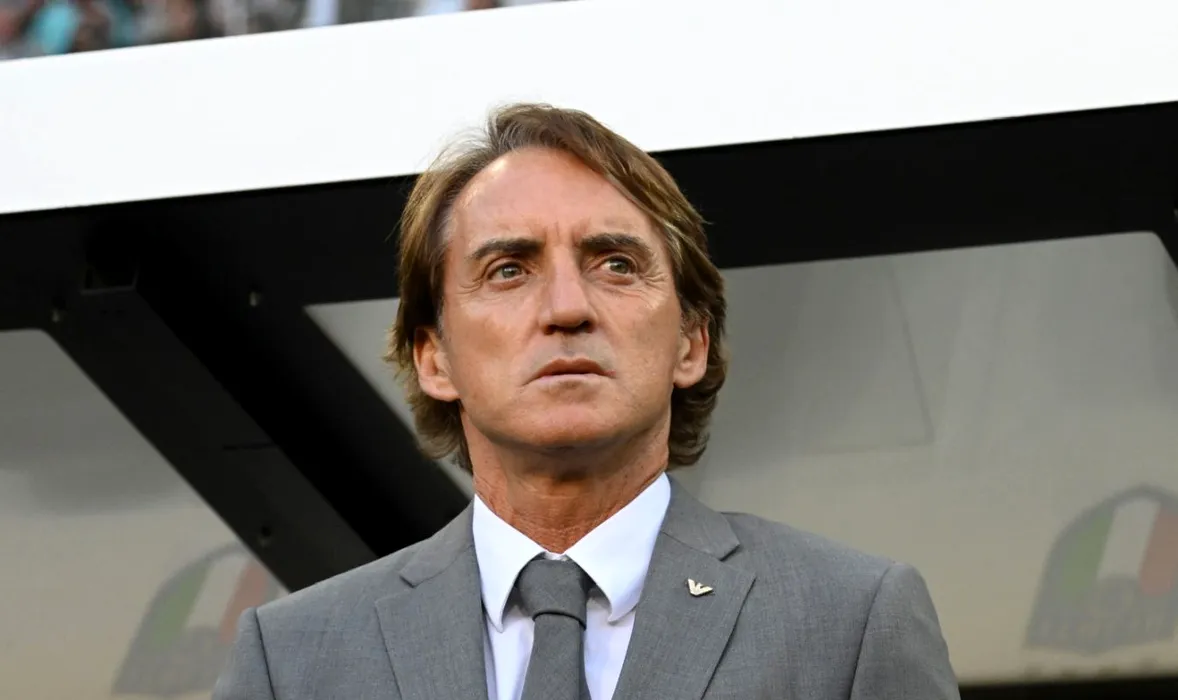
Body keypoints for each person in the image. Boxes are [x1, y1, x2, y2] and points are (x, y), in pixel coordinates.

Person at [214, 102, 960, 700]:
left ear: (690, 343)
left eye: (616, 264)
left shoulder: (852, 621)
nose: (567, 308)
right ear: (433, 357)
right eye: (509, 269)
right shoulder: (293, 661)